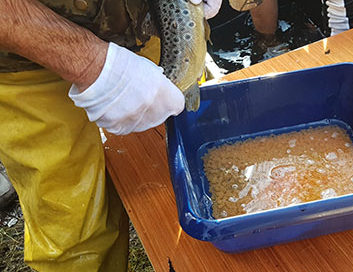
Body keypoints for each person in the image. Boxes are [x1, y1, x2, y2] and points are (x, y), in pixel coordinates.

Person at [0, 0, 221, 271]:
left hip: (145, 24)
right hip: (20, 55)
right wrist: (88, 61)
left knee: (178, 182)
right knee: (73, 229)